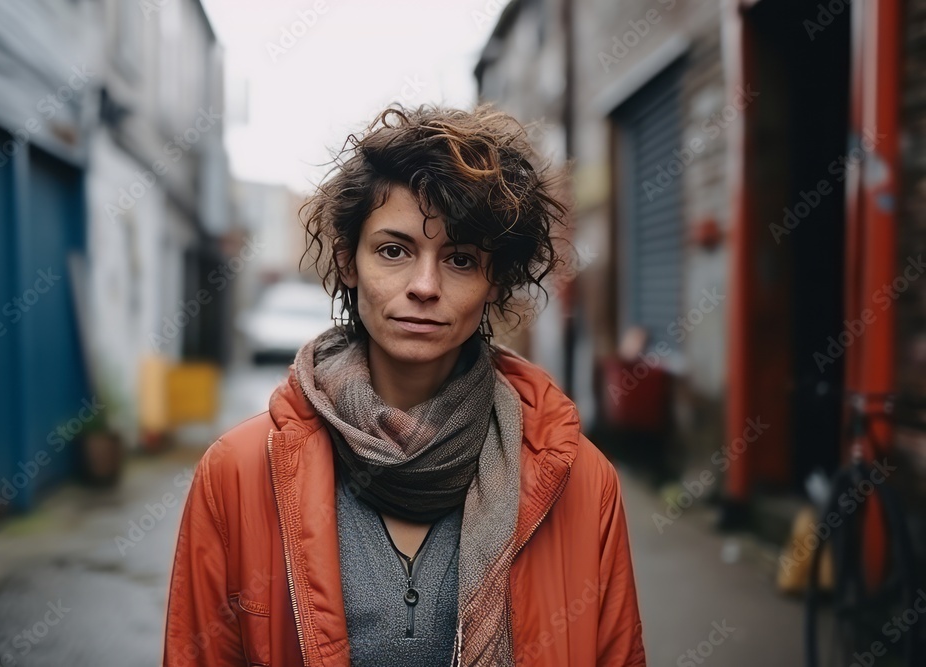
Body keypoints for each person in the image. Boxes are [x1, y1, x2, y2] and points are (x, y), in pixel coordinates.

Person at [162, 103, 646, 666]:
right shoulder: (239, 473)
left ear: (494, 281)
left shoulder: (580, 482)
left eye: (460, 259)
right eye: (394, 251)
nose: (424, 285)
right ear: (348, 262)